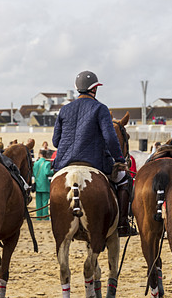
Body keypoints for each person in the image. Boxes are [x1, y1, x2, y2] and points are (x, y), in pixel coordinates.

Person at [52, 70, 130, 235]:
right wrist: (119, 159)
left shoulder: (64, 110)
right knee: (124, 180)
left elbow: (55, 142)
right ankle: (123, 224)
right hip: (94, 161)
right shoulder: (100, 108)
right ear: (94, 89)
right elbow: (110, 138)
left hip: (64, 163)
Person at [32, 150, 54, 220]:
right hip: (44, 184)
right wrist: (53, 171)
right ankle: (45, 216)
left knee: (38, 202)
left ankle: (38, 216)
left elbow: (33, 173)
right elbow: (47, 172)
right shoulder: (47, 163)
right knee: (45, 202)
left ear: (39, 154)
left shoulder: (36, 163)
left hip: (37, 184)